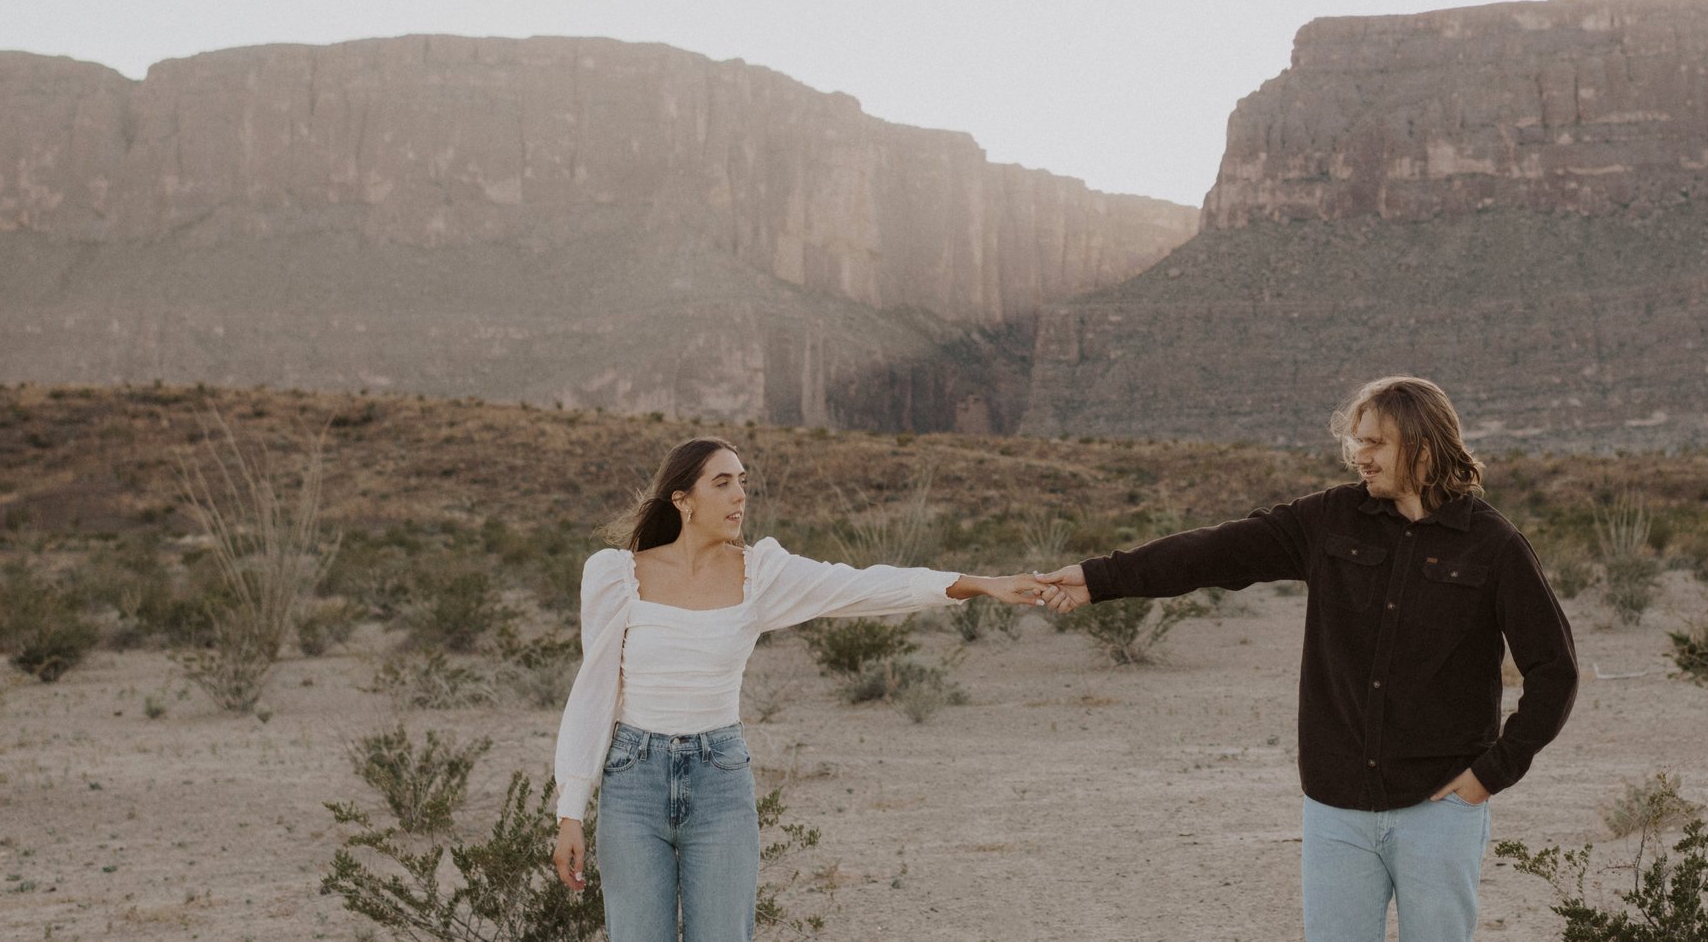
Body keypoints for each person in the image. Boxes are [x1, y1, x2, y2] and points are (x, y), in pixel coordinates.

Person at [1038, 376, 1578, 942]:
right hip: (1336, 808)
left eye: (1376, 444)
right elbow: (1215, 551)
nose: (1360, 457)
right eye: (1357, 442)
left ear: (1424, 446)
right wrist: (1097, 579)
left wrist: (1490, 774)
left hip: (1440, 806)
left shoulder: (1494, 546)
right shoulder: (1329, 520)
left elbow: (1554, 670)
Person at [550, 436, 1048, 939]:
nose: (739, 496)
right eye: (722, 483)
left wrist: (982, 583)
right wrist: (570, 809)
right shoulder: (616, 575)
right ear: (682, 500)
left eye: (743, 483)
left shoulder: (761, 575)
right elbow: (593, 693)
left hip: (718, 780)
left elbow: (866, 586)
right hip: (633, 782)